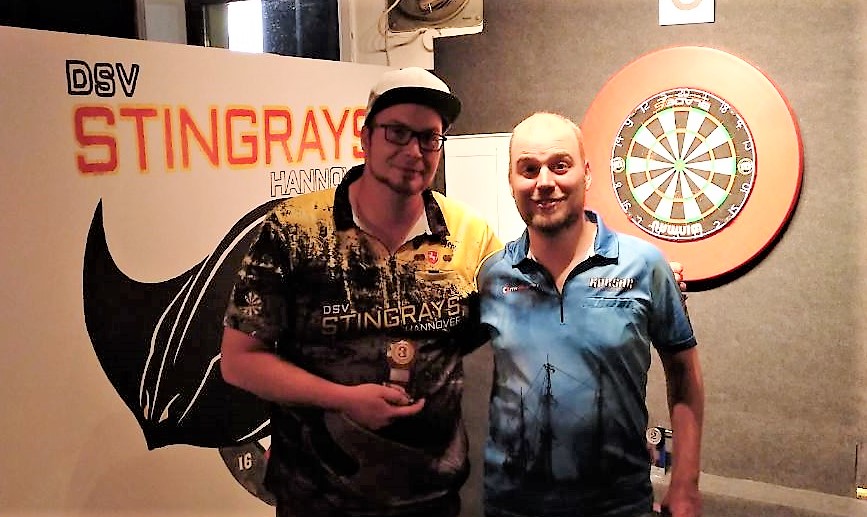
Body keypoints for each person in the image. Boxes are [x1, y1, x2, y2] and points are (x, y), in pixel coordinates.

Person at [219, 66, 502, 517]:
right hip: (317, 497)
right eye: (397, 133)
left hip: (430, 498)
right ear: (365, 137)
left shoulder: (472, 234)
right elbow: (239, 361)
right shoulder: (295, 229)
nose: (413, 151)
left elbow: (495, 330)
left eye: (429, 138)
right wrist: (344, 399)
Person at [476, 112, 704, 517]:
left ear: (587, 173)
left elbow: (684, 374)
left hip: (617, 504)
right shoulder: (492, 275)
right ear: (511, 181)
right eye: (528, 169)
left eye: (559, 165)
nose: (544, 181)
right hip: (511, 504)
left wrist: (685, 484)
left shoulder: (644, 266)